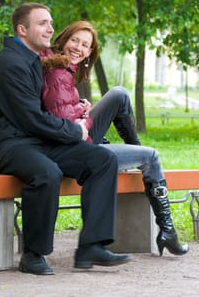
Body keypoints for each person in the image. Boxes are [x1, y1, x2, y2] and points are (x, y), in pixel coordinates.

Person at [0, 3, 131, 276]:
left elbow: (46, 110)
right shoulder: (9, 63)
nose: (51, 29)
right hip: (7, 144)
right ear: (22, 30)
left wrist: (77, 113)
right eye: (42, 23)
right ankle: (33, 254)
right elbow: (31, 118)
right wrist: (74, 131)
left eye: (51, 22)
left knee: (102, 159)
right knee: (47, 172)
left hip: (34, 140)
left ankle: (91, 245)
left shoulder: (33, 60)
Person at [50, 20, 189, 258]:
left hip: (75, 140)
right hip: (72, 151)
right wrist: (78, 115)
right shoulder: (54, 71)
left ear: (89, 53)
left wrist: (79, 109)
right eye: (75, 40)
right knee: (152, 156)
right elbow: (57, 118)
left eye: (85, 45)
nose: (78, 47)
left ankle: (136, 155)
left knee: (119, 94)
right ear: (63, 40)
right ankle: (167, 230)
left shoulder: (63, 70)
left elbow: (59, 111)